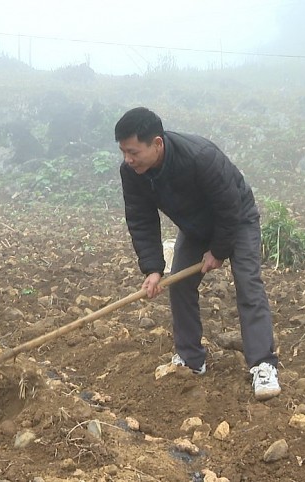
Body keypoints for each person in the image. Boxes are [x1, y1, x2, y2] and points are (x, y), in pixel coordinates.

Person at [115, 107, 281, 401]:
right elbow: (141, 219)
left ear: (157, 143)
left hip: (236, 220)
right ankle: (191, 359)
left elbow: (229, 208)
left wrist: (217, 251)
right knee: (178, 283)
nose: (128, 159)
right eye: (123, 152)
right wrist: (153, 269)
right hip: (195, 226)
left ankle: (263, 364)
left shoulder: (200, 156)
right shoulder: (132, 172)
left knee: (247, 282)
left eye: (133, 151)